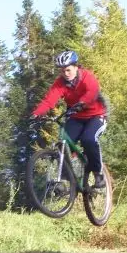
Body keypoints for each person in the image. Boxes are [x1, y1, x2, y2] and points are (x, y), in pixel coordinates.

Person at [30, 50, 108, 188]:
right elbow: (49, 100)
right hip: (76, 117)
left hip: (96, 116)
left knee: (88, 139)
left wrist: (82, 103)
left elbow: (93, 91)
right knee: (63, 144)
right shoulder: (60, 83)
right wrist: (37, 113)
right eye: (62, 71)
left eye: (68, 70)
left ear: (76, 67)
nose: (66, 74)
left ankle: (98, 174)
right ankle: (65, 179)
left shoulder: (86, 77)